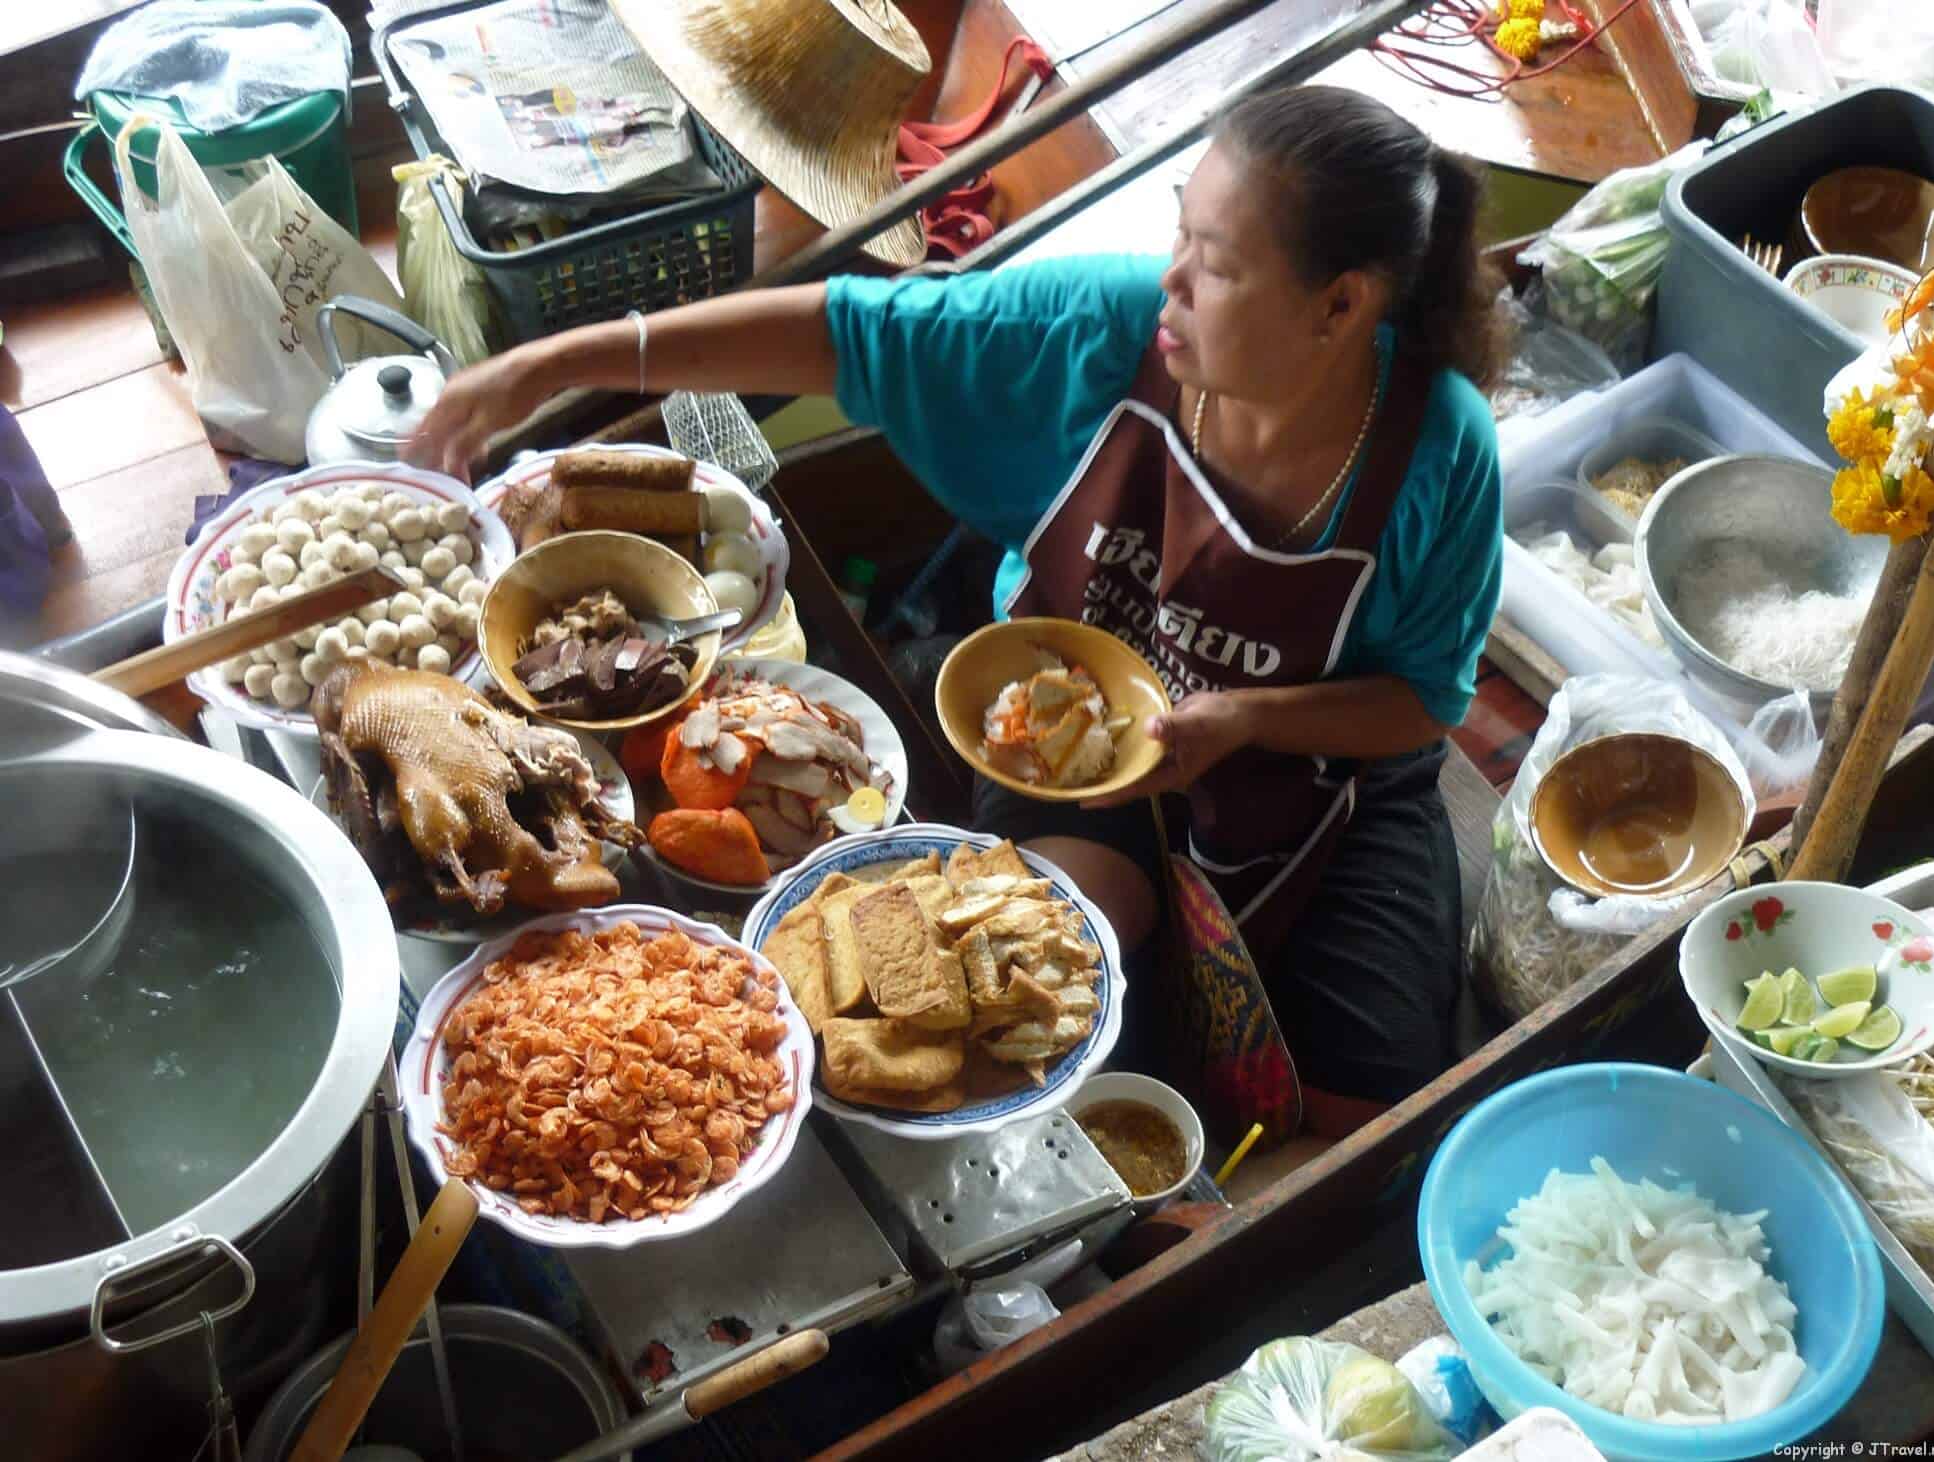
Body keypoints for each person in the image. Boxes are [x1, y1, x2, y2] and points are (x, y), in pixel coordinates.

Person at [409, 85, 1506, 1149]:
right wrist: (547, 368)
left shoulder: (1437, 451)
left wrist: (1251, 721)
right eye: (1182, 236)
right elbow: (850, 333)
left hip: (1315, 775)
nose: (1170, 278)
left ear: (1342, 304)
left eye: (1213, 266)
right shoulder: (1115, 324)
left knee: (1372, 1107)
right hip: (1074, 743)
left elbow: (1420, 703)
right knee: (1024, 975)